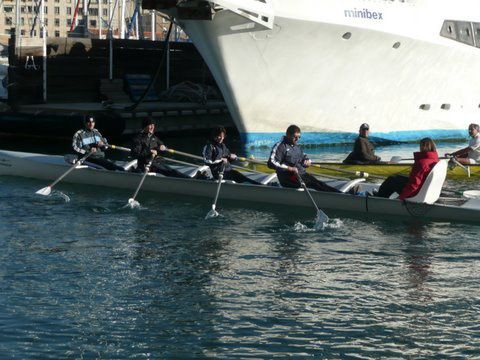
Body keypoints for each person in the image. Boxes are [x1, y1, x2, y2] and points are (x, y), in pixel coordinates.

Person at [267, 125, 340, 192]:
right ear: (288, 135)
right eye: (295, 137)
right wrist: (289, 168)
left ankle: (340, 194)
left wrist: (307, 161)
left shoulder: (297, 147)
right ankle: (339, 196)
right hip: (288, 178)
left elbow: (303, 157)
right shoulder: (280, 146)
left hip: (300, 174)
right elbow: (271, 163)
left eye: (299, 137)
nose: (297, 139)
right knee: (316, 184)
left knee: (319, 183)